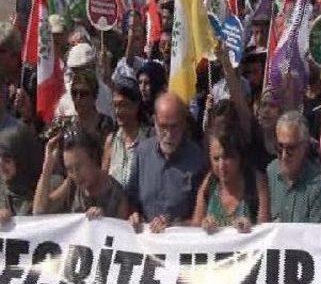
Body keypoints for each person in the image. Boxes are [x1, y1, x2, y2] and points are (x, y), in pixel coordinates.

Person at [126, 93, 206, 232]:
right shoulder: (141, 153)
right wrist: (134, 215)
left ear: (184, 124)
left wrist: (173, 225)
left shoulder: (198, 159)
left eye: (174, 127)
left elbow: (202, 217)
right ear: (154, 121)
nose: (168, 134)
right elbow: (130, 200)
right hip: (144, 245)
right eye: (163, 126)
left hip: (180, 245)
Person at [33, 129, 129, 219]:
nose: (75, 175)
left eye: (79, 167)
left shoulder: (117, 196)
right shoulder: (72, 183)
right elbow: (39, 211)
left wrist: (104, 221)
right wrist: (48, 164)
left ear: (94, 158)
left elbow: (120, 232)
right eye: (69, 169)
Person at [192, 126, 269, 232]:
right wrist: (204, 225)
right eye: (216, 158)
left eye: (228, 157)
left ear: (239, 156)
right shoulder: (209, 183)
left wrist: (252, 229)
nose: (221, 165)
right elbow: (194, 229)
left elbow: (266, 232)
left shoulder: (256, 183)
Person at [267, 111, 321, 223]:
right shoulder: (270, 172)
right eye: (279, 147)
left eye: (290, 148)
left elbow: (315, 236)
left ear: (304, 146)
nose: (284, 155)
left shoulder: (318, 185)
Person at [102, 76, 153, 188]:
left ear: (136, 105)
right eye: (115, 105)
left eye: (123, 105)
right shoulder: (111, 140)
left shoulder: (150, 139)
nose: (118, 111)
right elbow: (104, 180)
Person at [0, 125, 41, 223]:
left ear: (21, 159)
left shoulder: (47, 185)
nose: (1, 163)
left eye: (7, 158)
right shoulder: (2, 189)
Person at [137, 60, 167, 125]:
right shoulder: (138, 111)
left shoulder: (170, 110)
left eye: (147, 83)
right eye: (140, 82)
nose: (142, 88)